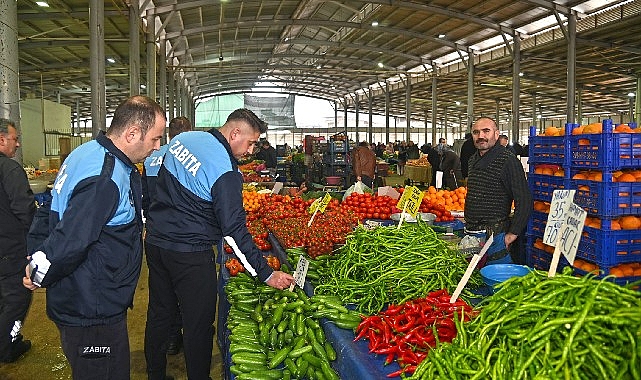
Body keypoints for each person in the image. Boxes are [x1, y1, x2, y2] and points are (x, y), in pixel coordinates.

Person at [143, 109, 295, 380]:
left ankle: (155, 374)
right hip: (191, 253)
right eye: (249, 143)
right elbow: (234, 231)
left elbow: (155, 177)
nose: (250, 151)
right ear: (234, 133)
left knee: (159, 314)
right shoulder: (225, 170)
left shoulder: (186, 140)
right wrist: (266, 273)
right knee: (198, 324)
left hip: (156, 243)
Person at [23, 95, 166, 379]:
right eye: (155, 138)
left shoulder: (86, 153)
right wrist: (38, 271)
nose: (158, 146)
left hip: (86, 297)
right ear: (132, 133)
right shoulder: (105, 178)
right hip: (92, 307)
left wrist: (33, 255)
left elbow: (49, 209)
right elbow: (71, 240)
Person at [142, 116, 193, 357]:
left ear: (169, 134)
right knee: (186, 290)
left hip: (155, 232)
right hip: (183, 236)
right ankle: (184, 333)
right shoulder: (189, 160)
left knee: (162, 294)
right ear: (190, 133)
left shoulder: (152, 157)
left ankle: (168, 342)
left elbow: (144, 196)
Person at [465, 117, 532, 265]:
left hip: (495, 236)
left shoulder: (507, 160)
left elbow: (524, 200)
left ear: (497, 134)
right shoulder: (472, 159)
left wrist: (511, 235)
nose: (481, 136)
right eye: (476, 132)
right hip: (472, 233)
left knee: (495, 280)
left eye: (486, 131)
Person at [0, 119, 35, 363]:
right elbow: (25, 210)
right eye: (14, 138)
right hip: (10, 250)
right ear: (1, 140)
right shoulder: (9, 169)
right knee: (16, 299)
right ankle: (7, 346)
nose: (18, 143)